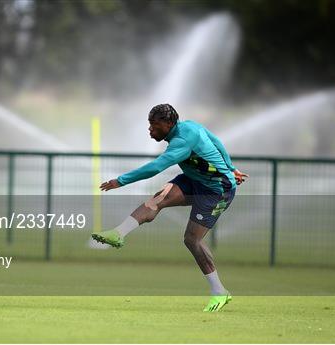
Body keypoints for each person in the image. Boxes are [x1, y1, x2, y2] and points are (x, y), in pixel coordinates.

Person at [92, 104, 248, 312]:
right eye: (149, 125)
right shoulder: (190, 126)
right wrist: (231, 166)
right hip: (194, 180)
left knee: (191, 240)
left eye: (154, 125)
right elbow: (216, 141)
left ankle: (219, 291)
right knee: (159, 199)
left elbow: (156, 167)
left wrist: (120, 181)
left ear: (168, 124)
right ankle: (118, 233)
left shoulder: (181, 142)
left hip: (217, 190)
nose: (150, 130)